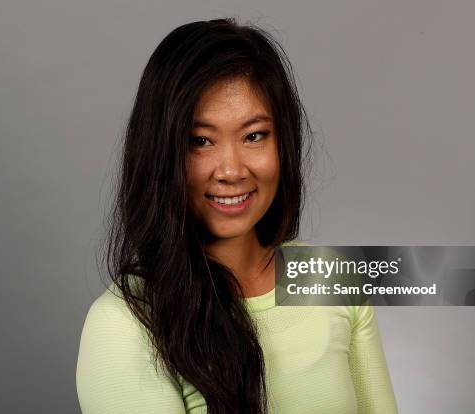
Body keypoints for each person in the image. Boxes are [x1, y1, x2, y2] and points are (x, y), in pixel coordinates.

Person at [76, 18, 398, 414]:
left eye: (254, 135)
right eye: (200, 141)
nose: (231, 170)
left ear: (285, 143)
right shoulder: (124, 323)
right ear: (160, 154)